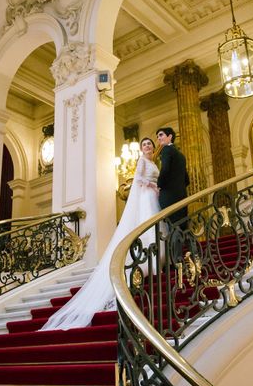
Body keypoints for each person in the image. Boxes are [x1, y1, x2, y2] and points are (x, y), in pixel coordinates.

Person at [40, 137, 160, 331]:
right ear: (141, 149)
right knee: (145, 230)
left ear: (153, 148)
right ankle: (144, 264)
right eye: (144, 144)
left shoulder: (154, 162)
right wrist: (152, 186)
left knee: (154, 228)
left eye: (149, 144)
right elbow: (137, 181)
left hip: (153, 198)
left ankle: (153, 263)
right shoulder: (141, 162)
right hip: (146, 197)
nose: (147, 146)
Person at [156, 127, 189, 226]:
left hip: (169, 196)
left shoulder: (166, 150)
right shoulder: (181, 155)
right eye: (157, 136)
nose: (158, 138)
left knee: (171, 227)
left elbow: (165, 169)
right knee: (181, 226)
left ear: (170, 136)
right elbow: (187, 179)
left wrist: (159, 185)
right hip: (182, 196)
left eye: (161, 135)